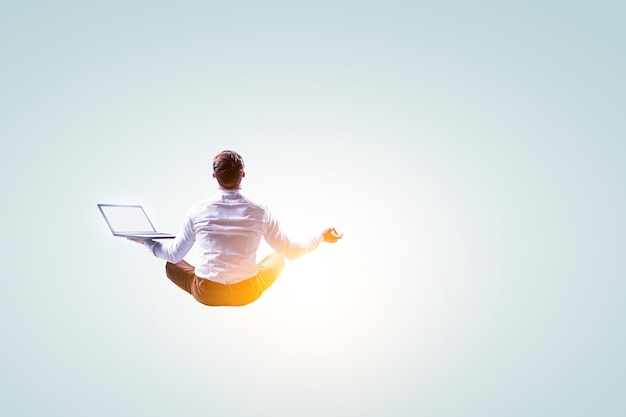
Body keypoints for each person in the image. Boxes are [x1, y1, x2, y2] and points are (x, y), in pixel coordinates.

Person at [130, 150, 343, 306]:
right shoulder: (261, 212)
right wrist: (321, 237)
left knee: (171, 264)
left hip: (207, 294)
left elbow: (174, 253)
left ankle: (202, 275)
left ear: (214, 177)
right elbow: (292, 252)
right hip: (247, 293)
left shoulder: (197, 211)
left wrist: (145, 241)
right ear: (243, 175)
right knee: (278, 258)